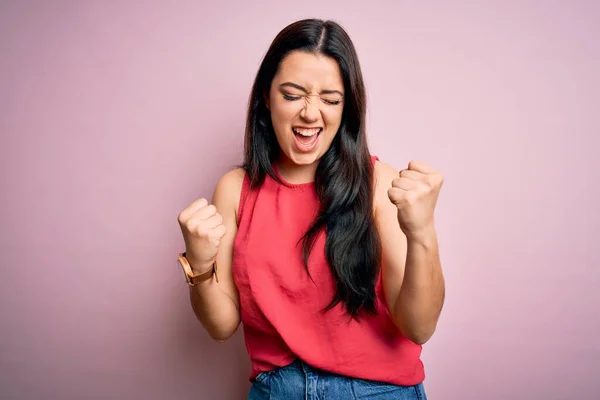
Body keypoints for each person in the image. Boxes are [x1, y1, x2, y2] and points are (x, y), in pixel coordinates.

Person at [176, 18, 445, 400]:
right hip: (278, 390)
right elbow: (221, 326)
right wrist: (200, 267)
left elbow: (419, 327)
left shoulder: (379, 183)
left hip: (376, 392)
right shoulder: (235, 190)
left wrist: (422, 233)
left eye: (330, 100)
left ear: (346, 107)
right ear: (266, 98)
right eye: (292, 95)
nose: (310, 113)